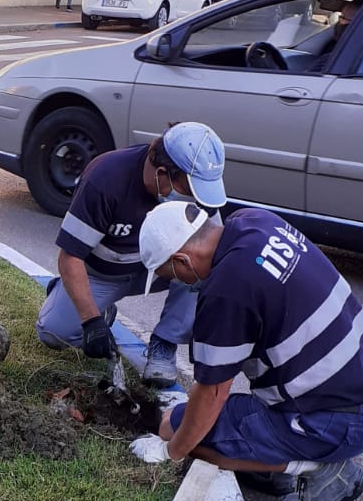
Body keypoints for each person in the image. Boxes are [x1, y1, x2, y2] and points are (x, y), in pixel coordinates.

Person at [136, 198, 363, 501]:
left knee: (177, 430)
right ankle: (276, 463)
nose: (178, 283)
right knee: (205, 421)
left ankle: (325, 469)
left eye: (171, 275)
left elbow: (211, 394)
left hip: (341, 420)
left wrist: (170, 452)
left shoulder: (225, 292)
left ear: (182, 260)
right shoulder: (255, 221)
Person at [36, 122, 227, 384]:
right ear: (162, 173)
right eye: (187, 191)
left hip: (161, 270)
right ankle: (96, 307)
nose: (193, 199)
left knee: (202, 265)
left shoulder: (196, 188)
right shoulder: (105, 179)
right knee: (53, 332)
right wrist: (91, 321)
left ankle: (164, 344)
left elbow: (216, 249)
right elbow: (70, 256)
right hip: (103, 274)